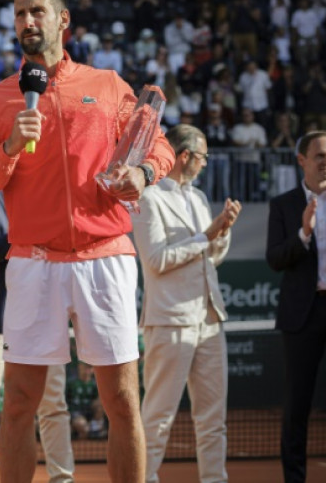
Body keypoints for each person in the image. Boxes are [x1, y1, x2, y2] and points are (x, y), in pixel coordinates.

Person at [0, 0, 175, 483]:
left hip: (107, 256)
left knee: (121, 400)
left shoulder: (107, 85)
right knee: (18, 407)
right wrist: (7, 149)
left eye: (37, 11)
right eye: (19, 14)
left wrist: (141, 173)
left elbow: (157, 144)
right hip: (32, 263)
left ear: (62, 20)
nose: (27, 22)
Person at [130, 124, 242, 483]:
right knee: (158, 417)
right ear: (184, 156)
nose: (206, 164)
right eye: (204, 157)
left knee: (213, 418)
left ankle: (214, 478)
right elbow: (157, 261)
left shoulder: (198, 198)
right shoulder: (148, 197)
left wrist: (220, 233)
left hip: (209, 319)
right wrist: (206, 236)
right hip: (170, 321)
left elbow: (212, 256)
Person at [0, 192, 75, 483]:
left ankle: (62, 477)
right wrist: (21, 232)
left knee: (54, 404)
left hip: (43, 311)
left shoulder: (40, 188)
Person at [266, 131, 326, 483]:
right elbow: (275, 259)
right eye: (320, 156)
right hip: (302, 316)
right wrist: (303, 234)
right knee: (297, 407)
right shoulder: (282, 204)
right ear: (301, 160)